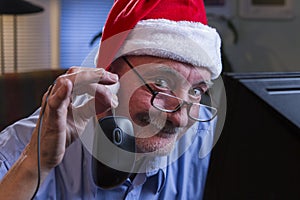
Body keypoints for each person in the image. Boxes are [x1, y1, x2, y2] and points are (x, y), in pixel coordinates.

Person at [0, 0, 222, 199]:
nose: (181, 118)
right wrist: (33, 164)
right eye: (161, 84)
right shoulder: (22, 146)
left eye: (196, 91)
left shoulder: (213, 142)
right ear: (109, 75)